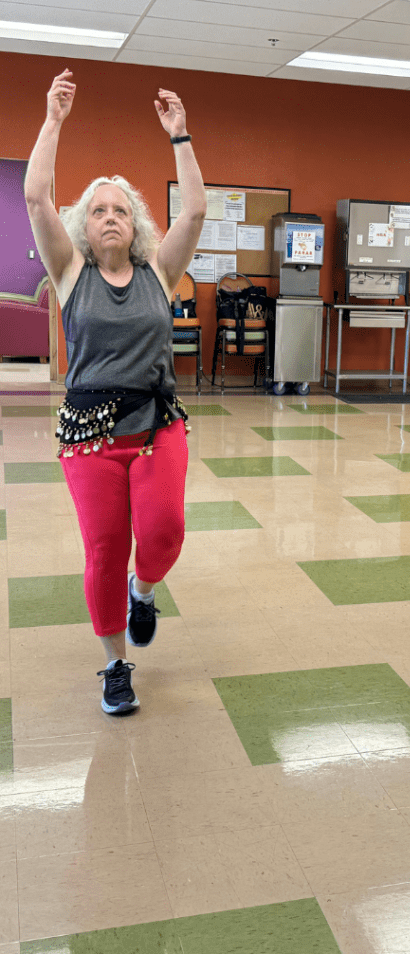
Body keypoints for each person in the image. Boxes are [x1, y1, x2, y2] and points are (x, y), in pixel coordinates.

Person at [24, 69, 207, 714]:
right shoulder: (70, 273)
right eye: (98, 209)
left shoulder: (161, 271)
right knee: (103, 549)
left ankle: (146, 587)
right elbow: (37, 200)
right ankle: (114, 666)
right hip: (89, 436)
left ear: (136, 227)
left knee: (163, 532)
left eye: (120, 210)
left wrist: (179, 137)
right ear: (84, 224)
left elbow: (195, 210)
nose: (109, 218)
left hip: (158, 425)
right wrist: (54, 120)